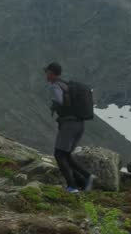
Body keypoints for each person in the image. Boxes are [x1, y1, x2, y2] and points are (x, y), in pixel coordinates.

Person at [45, 62, 94, 192]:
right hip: (79, 124)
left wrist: (54, 105)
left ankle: (72, 186)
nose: (46, 75)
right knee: (66, 155)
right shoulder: (67, 85)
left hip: (69, 125)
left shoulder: (56, 86)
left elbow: (61, 103)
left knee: (59, 155)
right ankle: (85, 180)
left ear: (51, 73)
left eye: (47, 72)